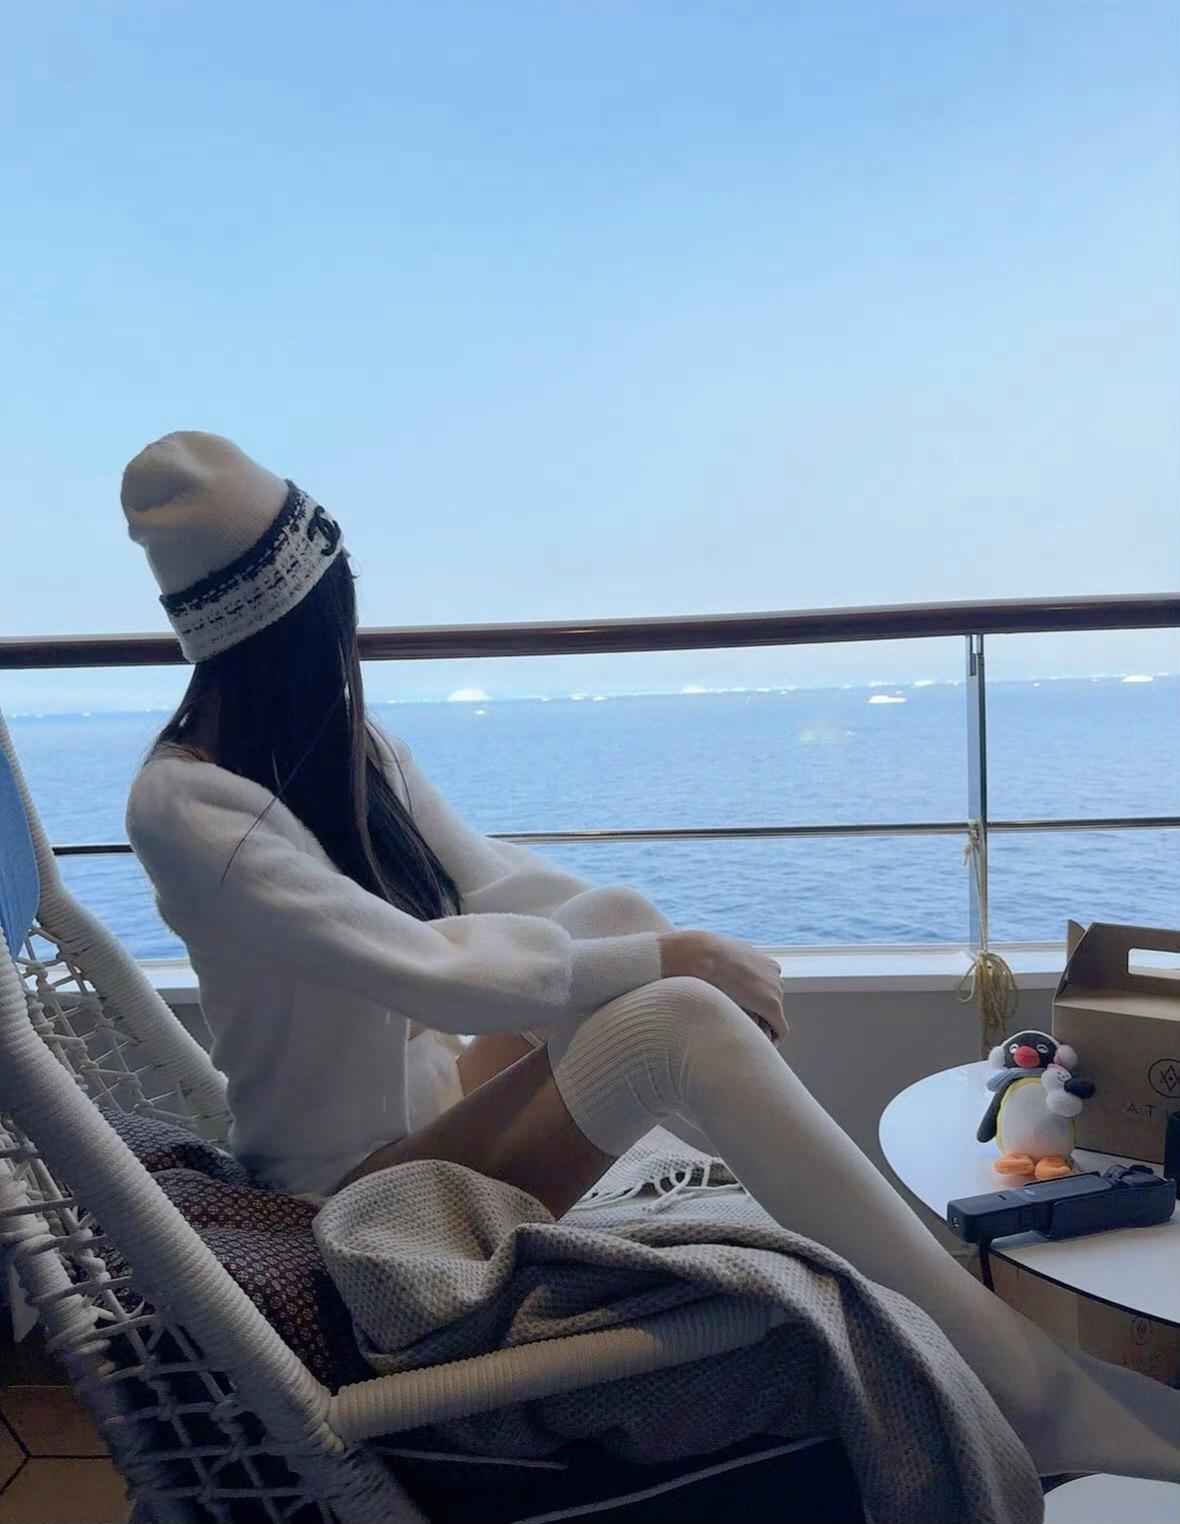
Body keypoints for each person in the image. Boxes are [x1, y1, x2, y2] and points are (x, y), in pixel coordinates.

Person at [123, 431, 1180, 1485]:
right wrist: (677, 965)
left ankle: (865, 1249)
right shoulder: (187, 806)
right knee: (674, 1019)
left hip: (436, 1117)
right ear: (299, 619)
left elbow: (497, 890)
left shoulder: (335, 746)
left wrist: (665, 950)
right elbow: (420, 967)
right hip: (351, 1200)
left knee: (623, 926)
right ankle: (1033, 1398)